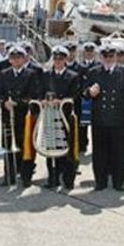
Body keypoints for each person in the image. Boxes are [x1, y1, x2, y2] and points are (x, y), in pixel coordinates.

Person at [84, 45, 124, 191]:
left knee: (119, 152)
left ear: (115, 56)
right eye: (105, 56)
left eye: (111, 56)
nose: (108, 59)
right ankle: (100, 182)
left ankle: (118, 182)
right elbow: (83, 93)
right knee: (99, 153)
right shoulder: (93, 72)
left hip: (119, 121)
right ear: (101, 57)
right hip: (100, 120)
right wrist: (89, 92)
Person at [0, 45, 41, 186]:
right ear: (9, 60)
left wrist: (19, 102)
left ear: (24, 58)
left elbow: (34, 94)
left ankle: (25, 175)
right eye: (13, 58)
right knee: (8, 145)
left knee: (25, 145)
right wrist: (4, 102)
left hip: (24, 115)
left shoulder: (31, 74)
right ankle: (9, 175)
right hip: (8, 114)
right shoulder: (4, 73)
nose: (16, 61)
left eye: (19, 58)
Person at [41, 45, 82, 190]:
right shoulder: (46, 76)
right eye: (56, 58)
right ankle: (52, 178)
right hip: (50, 116)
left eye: (61, 59)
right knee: (51, 149)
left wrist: (63, 100)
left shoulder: (72, 76)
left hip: (66, 117)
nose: (58, 61)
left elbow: (75, 95)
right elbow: (40, 92)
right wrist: (43, 101)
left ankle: (68, 179)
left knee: (68, 149)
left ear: (65, 59)